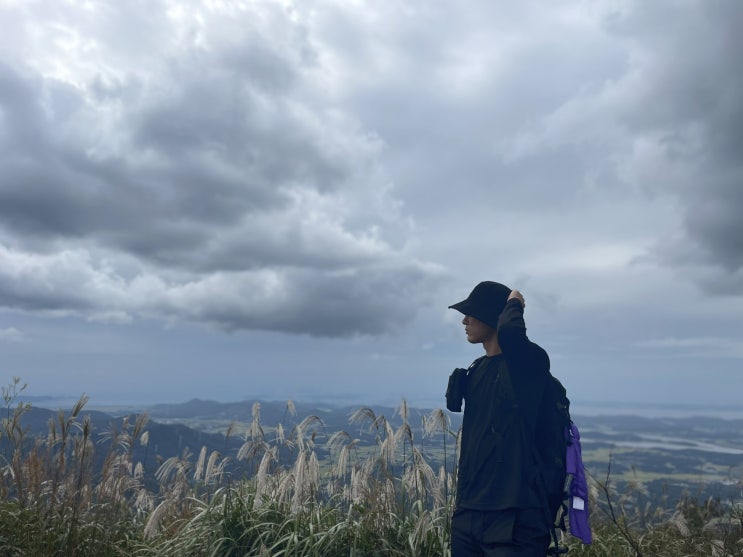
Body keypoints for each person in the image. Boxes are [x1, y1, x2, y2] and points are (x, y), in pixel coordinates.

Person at [446, 281, 552, 557]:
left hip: (516, 519)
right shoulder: (477, 369)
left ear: (495, 316)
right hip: (469, 513)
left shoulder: (529, 365)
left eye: (472, 313)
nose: (465, 321)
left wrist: (514, 302)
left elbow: (511, 334)